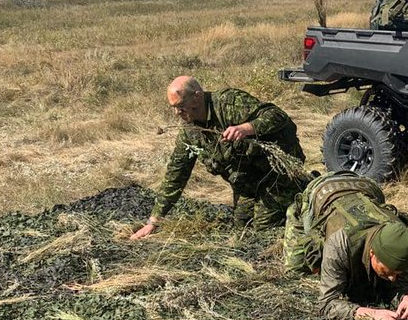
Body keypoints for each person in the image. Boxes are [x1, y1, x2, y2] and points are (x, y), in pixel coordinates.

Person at [131, 76, 308, 238]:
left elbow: (278, 116)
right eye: (174, 108)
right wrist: (154, 221)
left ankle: (302, 190)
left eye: (181, 106)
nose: (178, 112)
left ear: (197, 97)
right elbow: (176, 174)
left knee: (264, 228)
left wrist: (247, 128)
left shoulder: (228, 103)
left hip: (277, 174)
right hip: (248, 182)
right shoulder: (189, 131)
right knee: (243, 226)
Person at [284, 171, 408, 320]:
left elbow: (404, 284)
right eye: (388, 271)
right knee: (296, 269)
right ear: (372, 253)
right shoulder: (339, 243)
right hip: (321, 191)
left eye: (398, 273)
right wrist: (370, 314)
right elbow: (326, 304)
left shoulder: (406, 244)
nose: (392, 279)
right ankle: (307, 181)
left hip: (366, 187)